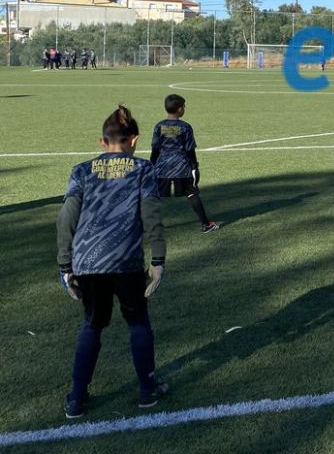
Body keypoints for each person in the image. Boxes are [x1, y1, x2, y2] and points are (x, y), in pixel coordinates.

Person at [56, 105, 168, 419]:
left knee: (92, 324)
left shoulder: (81, 170)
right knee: (138, 322)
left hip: (87, 261)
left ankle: (77, 398)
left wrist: (65, 266)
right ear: (134, 140)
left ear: (102, 142)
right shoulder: (143, 169)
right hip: (125, 261)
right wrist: (158, 260)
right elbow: (152, 217)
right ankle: (147, 391)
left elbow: (66, 219)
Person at [150, 94, 220, 233]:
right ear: (179, 109)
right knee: (192, 193)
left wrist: (151, 165)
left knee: (153, 196)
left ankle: (147, 226)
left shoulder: (159, 126)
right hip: (182, 167)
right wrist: (194, 166)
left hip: (162, 167)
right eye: (184, 106)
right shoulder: (185, 127)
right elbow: (189, 149)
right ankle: (206, 224)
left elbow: (155, 149)